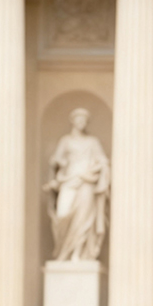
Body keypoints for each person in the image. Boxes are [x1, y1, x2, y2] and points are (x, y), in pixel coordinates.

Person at [44, 108, 110, 261]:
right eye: (79, 119)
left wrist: (100, 167)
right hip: (68, 180)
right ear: (73, 121)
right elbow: (56, 161)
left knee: (84, 218)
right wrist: (57, 168)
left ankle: (78, 254)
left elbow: (102, 160)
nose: (81, 122)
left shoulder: (92, 142)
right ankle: (63, 250)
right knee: (62, 215)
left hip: (87, 181)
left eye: (84, 120)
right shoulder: (65, 141)